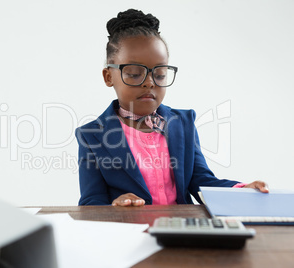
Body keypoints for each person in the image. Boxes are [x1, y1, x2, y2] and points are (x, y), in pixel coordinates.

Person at [75, 9, 268, 206]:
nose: (149, 83)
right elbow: (91, 201)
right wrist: (115, 205)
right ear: (109, 77)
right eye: (134, 74)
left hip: (180, 230)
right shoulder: (92, 135)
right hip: (130, 230)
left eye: (159, 74)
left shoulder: (183, 123)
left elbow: (201, 181)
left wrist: (241, 191)